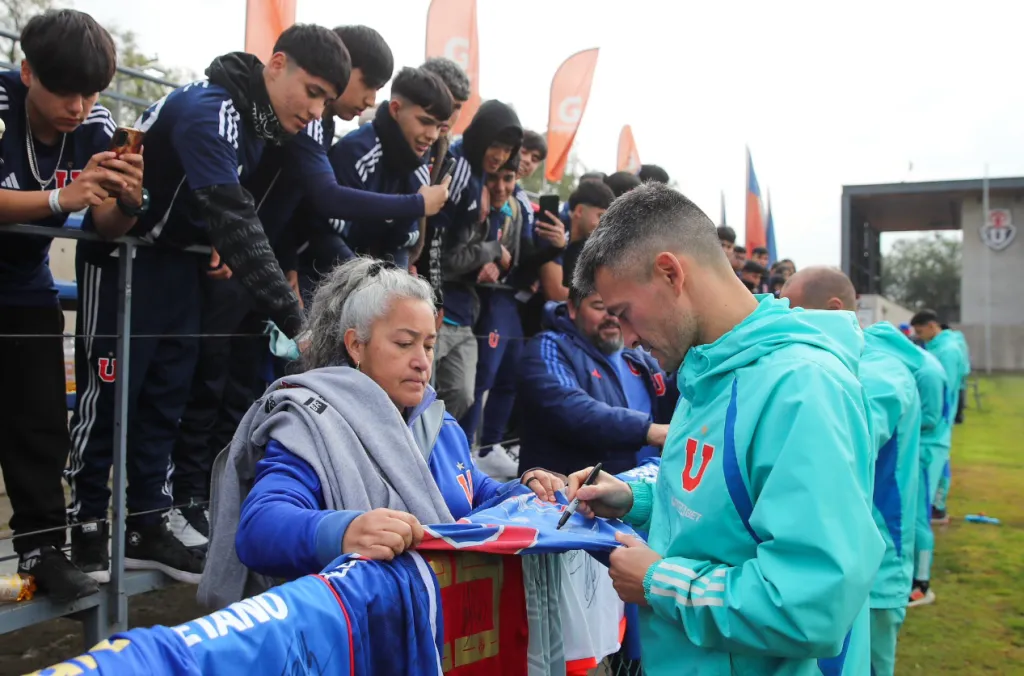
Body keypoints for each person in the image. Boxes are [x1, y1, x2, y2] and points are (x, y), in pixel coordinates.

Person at [68, 24, 352, 584]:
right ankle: (82, 528)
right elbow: (233, 214)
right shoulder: (212, 108)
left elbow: (225, 214)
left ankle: (147, 522)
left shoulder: (259, 124)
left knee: (167, 392)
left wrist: (216, 236)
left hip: (176, 264)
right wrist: (298, 323)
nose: (317, 110)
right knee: (111, 390)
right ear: (276, 65)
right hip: (125, 258)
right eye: (313, 91)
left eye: (327, 100)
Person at [565, 183, 883, 675]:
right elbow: (719, 504)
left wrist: (659, 583)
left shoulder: (802, 389)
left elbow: (811, 604)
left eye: (625, 314)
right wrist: (634, 500)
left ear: (670, 273)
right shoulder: (707, 374)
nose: (626, 337)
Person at [199, 258, 564, 605]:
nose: (422, 361)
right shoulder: (312, 423)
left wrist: (527, 488)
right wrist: (345, 532)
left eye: (429, 344)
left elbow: (476, 493)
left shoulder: (436, 421)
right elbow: (259, 527)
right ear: (356, 345)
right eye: (404, 344)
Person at [0, 8, 137, 602]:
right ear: (27, 71)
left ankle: (42, 548)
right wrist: (62, 197)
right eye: (64, 90)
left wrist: (129, 197)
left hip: (22, 284)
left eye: (89, 92)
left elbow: (104, 222)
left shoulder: (95, 120)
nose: (78, 106)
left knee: (38, 423)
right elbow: (67, 200)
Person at [781, 267, 923, 676]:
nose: (785, 325)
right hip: (848, 562)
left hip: (875, 568)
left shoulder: (881, 373)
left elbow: (835, 441)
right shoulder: (852, 363)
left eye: (793, 312)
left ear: (834, 310)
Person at [458, 153, 564, 477]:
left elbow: (521, 258)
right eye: (496, 179)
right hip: (479, 300)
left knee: (510, 373)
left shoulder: (516, 208)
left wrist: (554, 247)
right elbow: (456, 251)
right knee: (480, 379)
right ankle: (463, 451)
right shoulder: (472, 200)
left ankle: (488, 448)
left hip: (504, 300)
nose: (502, 187)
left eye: (509, 179)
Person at [518, 285, 675, 477]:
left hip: (644, 489)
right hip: (570, 498)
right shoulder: (549, 347)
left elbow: (674, 395)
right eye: (600, 307)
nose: (612, 317)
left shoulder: (640, 352)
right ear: (573, 309)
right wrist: (648, 431)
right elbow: (569, 407)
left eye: (619, 309)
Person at [431, 99, 522, 420]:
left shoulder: (483, 182)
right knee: (414, 397)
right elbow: (445, 257)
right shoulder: (461, 174)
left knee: (462, 395)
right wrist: (493, 251)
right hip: (434, 312)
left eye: (508, 148)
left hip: (464, 315)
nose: (500, 155)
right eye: (496, 145)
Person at [329, 66, 453, 268]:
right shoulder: (357, 151)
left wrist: (395, 285)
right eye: (425, 121)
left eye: (439, 127)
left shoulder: (419, 168)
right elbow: (325, 236)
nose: (432, 135)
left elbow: (399, 244)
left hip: (368, 275)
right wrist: (371, 283)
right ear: (395, 109)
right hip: (319, 272)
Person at [908, 308, 966, 605]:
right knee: (919, 506)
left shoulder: (943, 355)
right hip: (932, 439)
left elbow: (940, 400)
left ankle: (921, 583)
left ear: (931, 326)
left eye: (920, 332)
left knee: (921, 511)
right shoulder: (939, 349)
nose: (918, 338)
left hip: (932, 441)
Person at [411, 56, 471, 285]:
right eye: (444, 101)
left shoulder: (446, 156)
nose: (449, 113)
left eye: (457, 106)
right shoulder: (377, 140)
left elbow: (434, 234)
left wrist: (433, 293)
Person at [557, 180, 616, 291]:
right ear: (579, 211)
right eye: (600, 216)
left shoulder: (591, 247)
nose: (604, 225)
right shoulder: (554, 230)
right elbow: (554, 292)